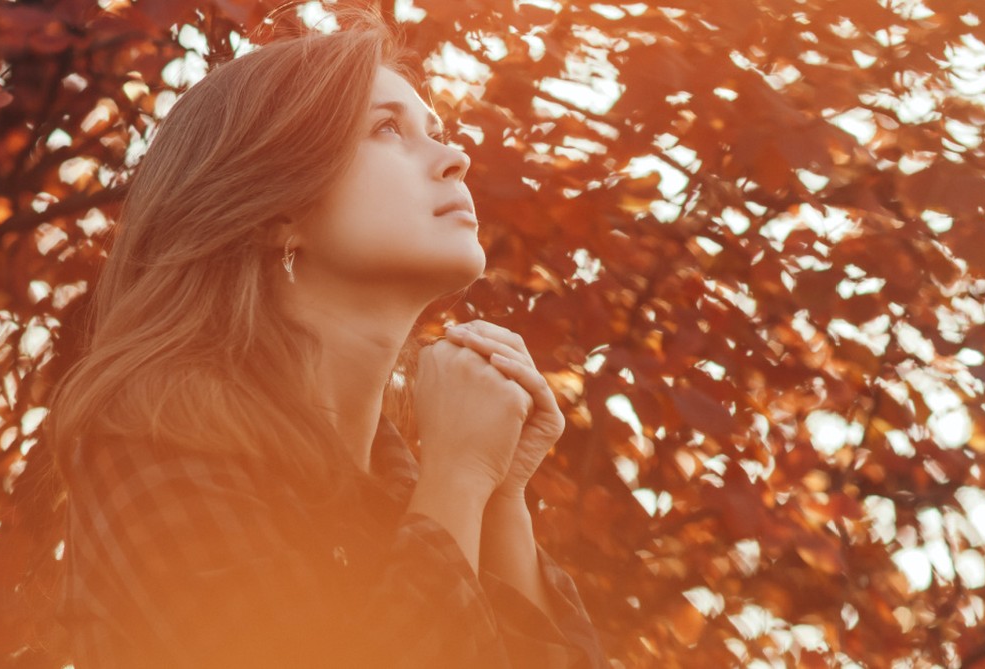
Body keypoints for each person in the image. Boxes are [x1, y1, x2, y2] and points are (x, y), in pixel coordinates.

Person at [47, 7, 606, 668]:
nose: (456, 158)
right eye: (388, 128)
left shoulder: (406, 487)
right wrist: (458, 472)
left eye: (438, 131)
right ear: (277, 211)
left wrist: (500, 491)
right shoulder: (152, 441)